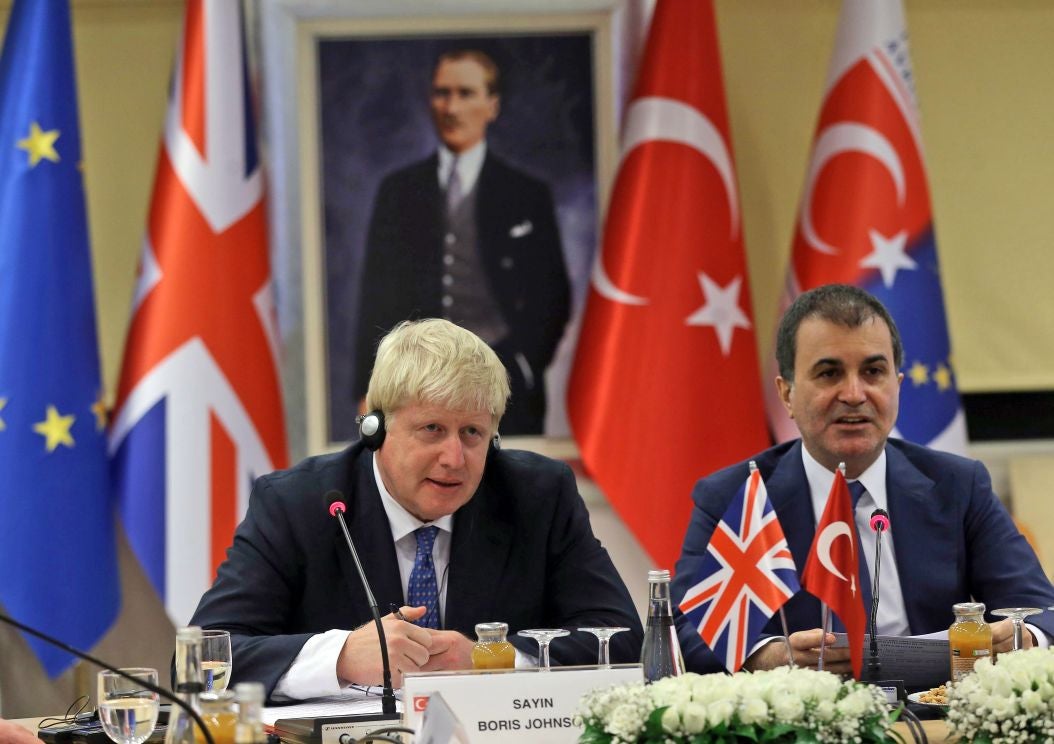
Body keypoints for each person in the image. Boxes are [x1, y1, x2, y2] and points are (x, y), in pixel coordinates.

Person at [191, 319, 641, 700]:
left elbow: (622, 638)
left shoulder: (537, 495)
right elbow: (203, 658)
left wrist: (492, 657)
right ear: (375, 429)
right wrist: (341, 656)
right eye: (432, 429)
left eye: (472, 433)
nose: (454, 458)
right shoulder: (300, 504)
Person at [672, 284, 1054, 675]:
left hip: (934, 714)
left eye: (873, 372)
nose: (854, 394)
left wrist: (1021, 638)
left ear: (897, 386)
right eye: (829, 373)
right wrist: (769, 656)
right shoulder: (739, 494)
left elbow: (1042, 611)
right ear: (786, 393)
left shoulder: (958, 485)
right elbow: (683, 631)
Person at [353, 49, 571, 435]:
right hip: (413, 385)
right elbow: (376, 293)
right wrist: (369, 386)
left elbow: (553, 294)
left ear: (492, 105)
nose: (451, 107)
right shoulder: (399, 191)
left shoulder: (526, 193)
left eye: (466, 93)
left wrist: (523, 360)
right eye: (442, 93)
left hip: (505, 384)